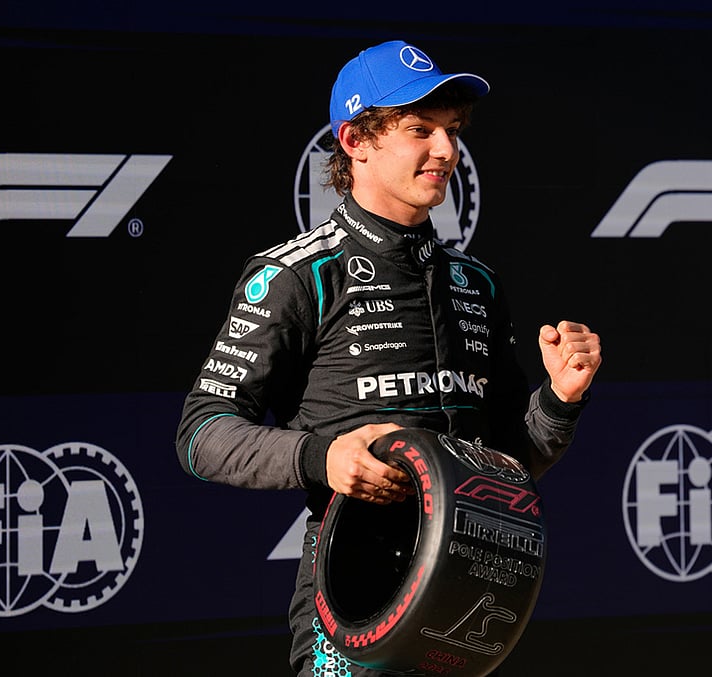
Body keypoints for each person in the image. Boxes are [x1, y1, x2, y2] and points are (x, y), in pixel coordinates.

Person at [176, 39, 602, 676]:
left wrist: (561, 400)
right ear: (355, 141)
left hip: (470, 599)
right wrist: (322, 457)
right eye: (419, 130)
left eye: (452, 131)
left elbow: (512, 463)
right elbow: (201, 434)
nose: (446, 150)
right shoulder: (298, 275)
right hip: (352, 603)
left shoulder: (476, 283)